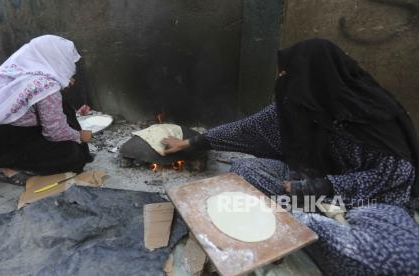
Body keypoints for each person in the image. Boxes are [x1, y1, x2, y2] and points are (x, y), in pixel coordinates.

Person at [162, 39, 419, 275]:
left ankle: (303, 225)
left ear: (316, 75)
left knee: (399, 260)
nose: (282, 79)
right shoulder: (299, 102)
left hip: (369, 199)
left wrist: (323, 186)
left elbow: (396, 174)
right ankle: (303, 224)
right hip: (311, 184)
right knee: (244, 171)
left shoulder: (374, 114)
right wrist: (193, 143)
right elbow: (248, 129)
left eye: (287, 73)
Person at [0, 35, 93, 186]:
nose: (70, 65)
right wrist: (80, 135)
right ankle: (11, 168)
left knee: (65, 109)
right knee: (74, 155)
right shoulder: (46, 86)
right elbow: (55, 133)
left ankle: (8, 166)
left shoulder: (16, 70)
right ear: (57, 58)